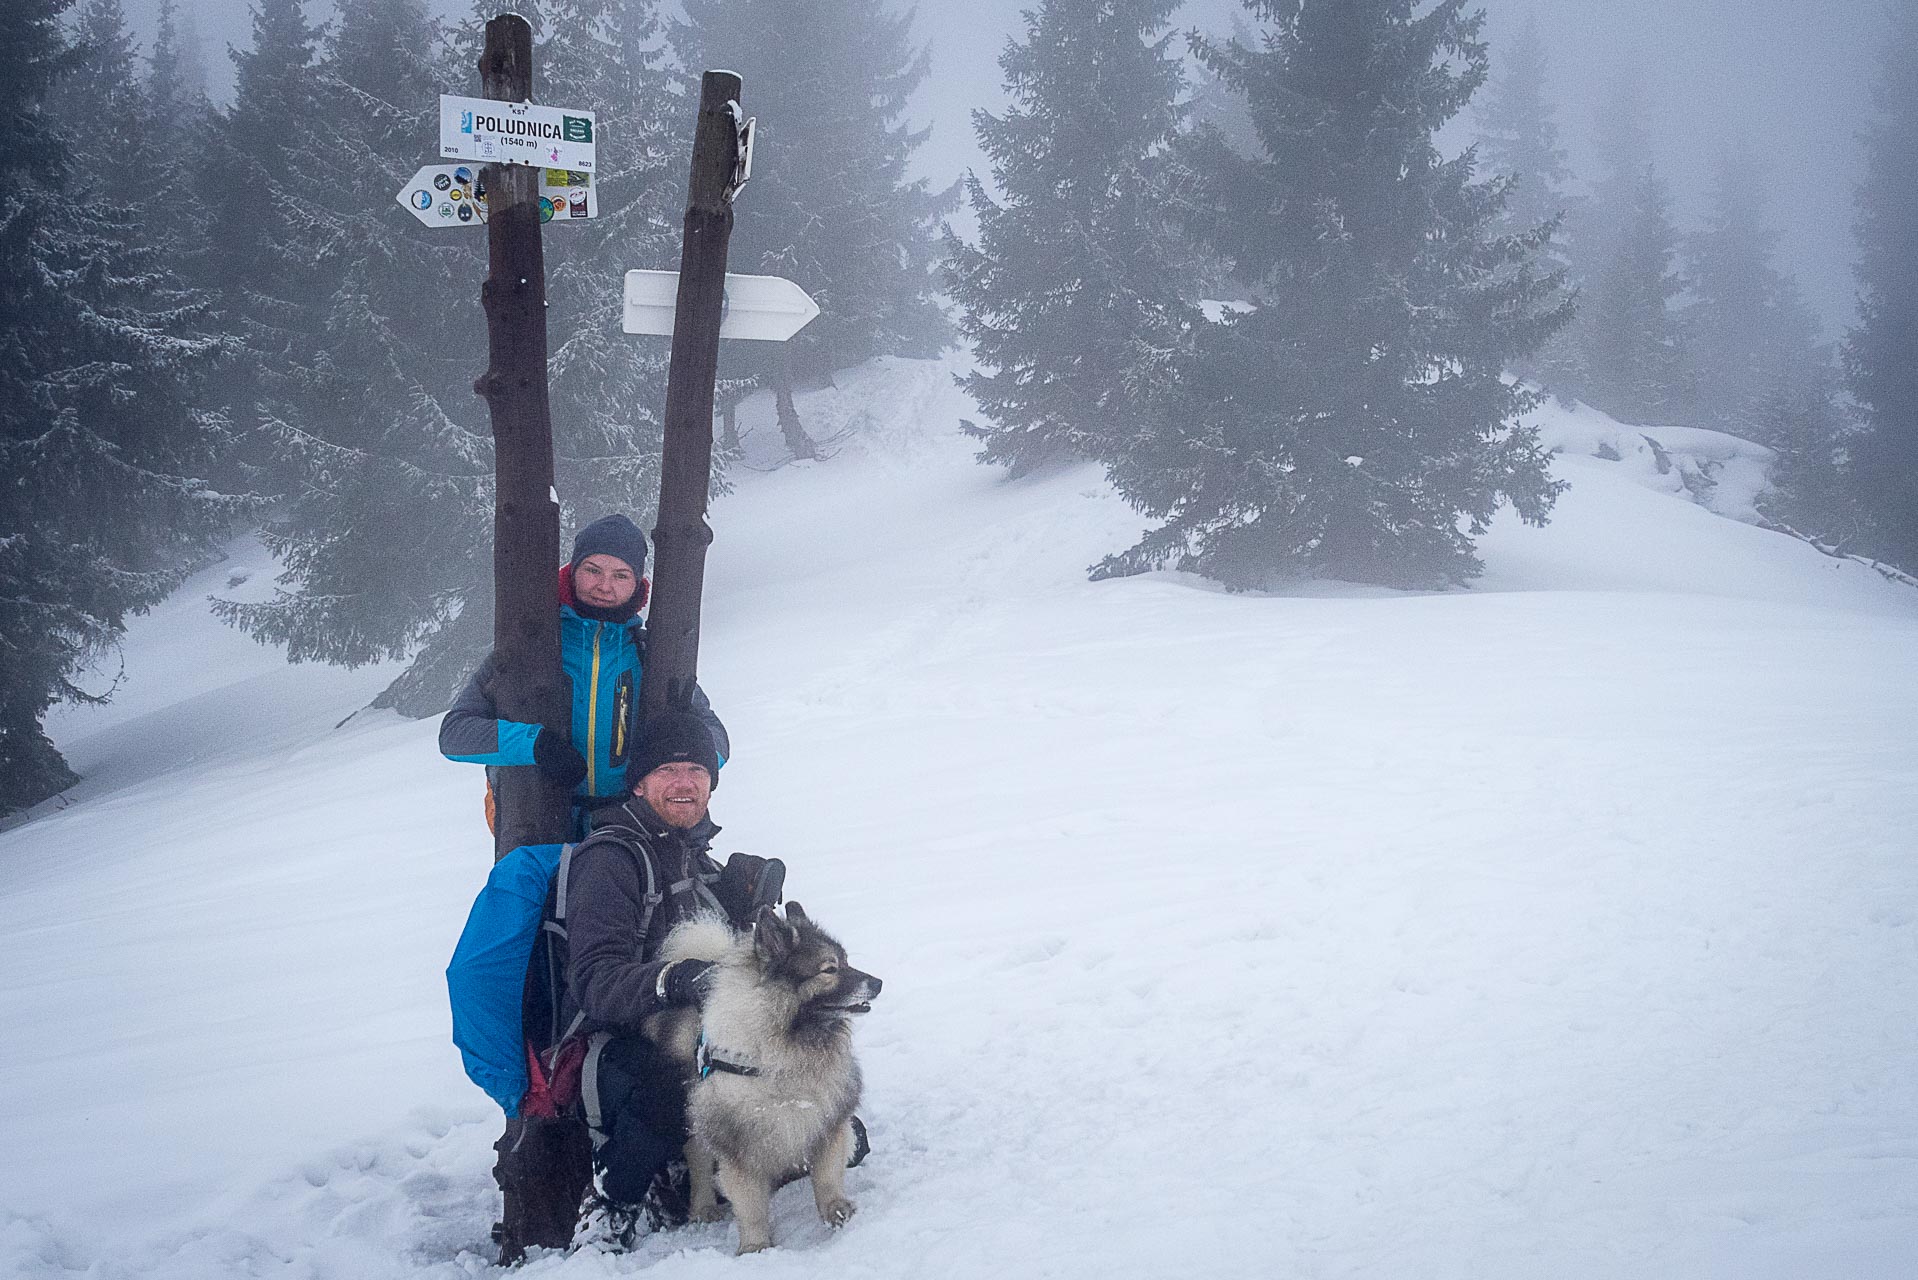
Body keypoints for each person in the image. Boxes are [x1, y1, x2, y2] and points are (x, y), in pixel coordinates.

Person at [438, 514, 729, 838]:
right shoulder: (529, 649)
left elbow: (717, 741)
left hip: (633, 828)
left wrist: (675, 762)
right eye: (593, 570)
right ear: (573, 572)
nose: (605, 586)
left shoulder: (651, 656)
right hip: (538, 824)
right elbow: (454, 734)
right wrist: (535, 745)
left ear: (638, 585)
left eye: (621, 575)